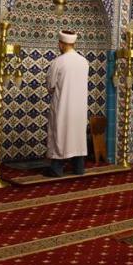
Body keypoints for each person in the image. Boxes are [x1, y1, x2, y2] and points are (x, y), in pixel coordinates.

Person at [43, 30, 89, 177]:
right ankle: (79, 168)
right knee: (77, 136)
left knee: (60, 134)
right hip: (79, 108)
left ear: (61, 44)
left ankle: (56, 169)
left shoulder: (58, 62)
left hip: (63, 107)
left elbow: (50, 85)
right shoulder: (84, 61)